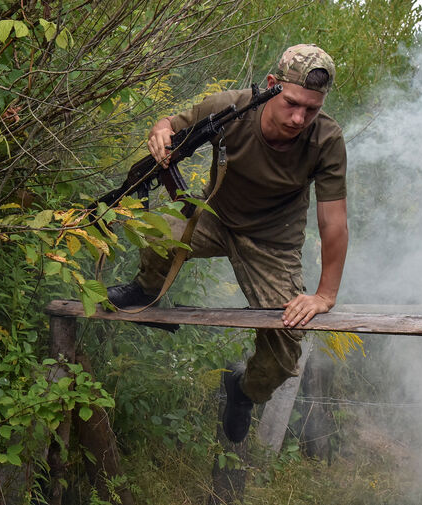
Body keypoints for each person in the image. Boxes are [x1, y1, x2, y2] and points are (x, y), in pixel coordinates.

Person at [106, 44, 349, 443]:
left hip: (273, 243)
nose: (299, 117)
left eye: (312, 108)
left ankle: (243, 391)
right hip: (214, 220)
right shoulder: (231, 108)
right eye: (291, 103)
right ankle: (145, 290)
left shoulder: (325, 139)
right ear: (272, 86)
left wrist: (324, 295)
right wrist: (160, 132)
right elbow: (168, 123)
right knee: (154, 229)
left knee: (285, 346)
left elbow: (333, 221)